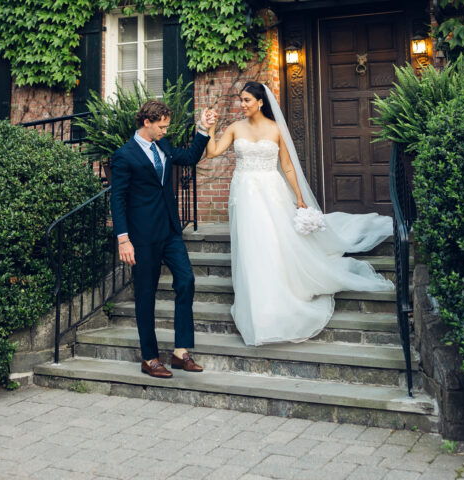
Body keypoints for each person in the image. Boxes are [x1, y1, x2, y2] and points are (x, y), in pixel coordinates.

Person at [205, 80, 394, 346]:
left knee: (273, 244)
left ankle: (278, 299)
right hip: (244, 195)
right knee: (250, 246)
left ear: (260, 102)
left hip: (271, 192)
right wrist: (211, 129)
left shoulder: (275, 129)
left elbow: (288, 167)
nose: (242, 104)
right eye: (240, 99)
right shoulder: (235, 128)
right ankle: (257, 309)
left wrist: (299, 197)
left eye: (247, 100)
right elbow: (212, 153)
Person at [110, 98, 215, 378]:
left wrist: (203, 130)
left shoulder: (164, 146)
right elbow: (117, 199)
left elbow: (190, 158)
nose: (165, 131)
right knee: (146, 295)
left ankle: (181, 352)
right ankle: (150, 358)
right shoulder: (124, 155)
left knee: (186, 281)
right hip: (142, 236)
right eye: (162, 126)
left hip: (170, 230)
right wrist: (123, 239)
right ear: (147, 122)